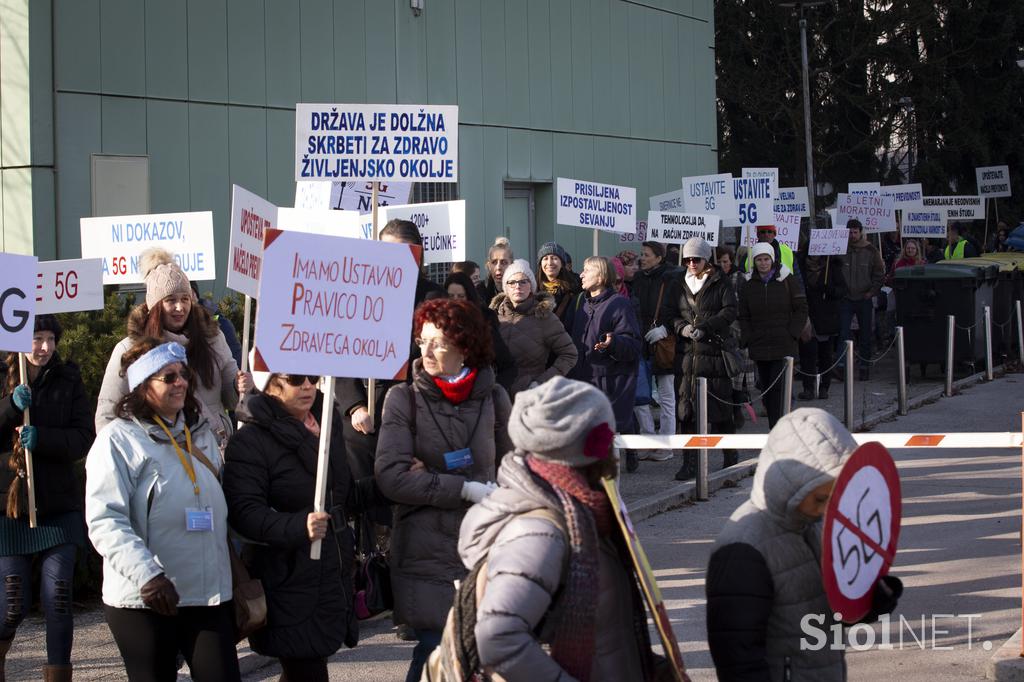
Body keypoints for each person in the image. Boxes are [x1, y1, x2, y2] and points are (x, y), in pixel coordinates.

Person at [458, 377, 672, 681]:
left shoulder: (586, 513)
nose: (613, 450)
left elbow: (606, 634)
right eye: (606, 438)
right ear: (585, 450)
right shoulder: (540, 531)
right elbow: (499, 637)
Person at [706, 408, 902, 681]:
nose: (828, 509)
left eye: (837, 497)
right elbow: (738, 658)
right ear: (790, 487)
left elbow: (825, 614)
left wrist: (869, 601)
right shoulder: (744, 548)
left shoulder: (817, 524)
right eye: (821, 499)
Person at [85, 339, 240, 682]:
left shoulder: (200, 435)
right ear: (142, 386)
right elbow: (105, 520)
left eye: (183, 374)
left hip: (206, 594)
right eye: (168, 377)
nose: (181, 382)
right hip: (146, 598)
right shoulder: (117, 440)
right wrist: (148, 576)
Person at [375, 298, 513, 682]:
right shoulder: (403, 399)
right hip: (425, 552)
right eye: (422, 341)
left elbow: (513, 470)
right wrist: (466, 488)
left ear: (465, 345)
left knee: (479, 656)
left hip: (484, 549)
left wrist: (430, 474)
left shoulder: (494, 397)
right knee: (436, 651)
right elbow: (392, 476)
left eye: (438, 341)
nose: (428, 350)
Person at [222, 372, 385, 681]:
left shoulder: (326, 423)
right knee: (306, 670)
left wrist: (389, 484)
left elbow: (343, 496)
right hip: (287, 576)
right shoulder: (250, 440)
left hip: (331, 571)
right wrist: (298, 526)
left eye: (312, 377)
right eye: (296, 378)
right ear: (269, 385)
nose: (308, 385)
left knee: (308, 668)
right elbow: (244, 512)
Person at [0, 315, 94, 682]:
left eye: (50, 339)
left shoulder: (68, 378)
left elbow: (83, 436)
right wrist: (9, 406)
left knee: (58, 595)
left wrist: (45, 439)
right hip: (10, 509)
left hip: (58, 507)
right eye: (36, 338)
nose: (44, 347)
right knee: (12, 601)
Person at [335, 218, 445, 484]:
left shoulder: (433, 297)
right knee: (365, 488)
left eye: (405, 251)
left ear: (418, 253)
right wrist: (355, 405)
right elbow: (340, 351)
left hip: (416, 406)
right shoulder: (359, 293)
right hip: (367, 410)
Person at [96, 248, 249, 439]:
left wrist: (238, 385)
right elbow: (107, 414)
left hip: (212, 451)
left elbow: (230, 397)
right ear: (155, 306)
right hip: (159, 458)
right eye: (170, 300)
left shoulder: (213, 338)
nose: (180, 307)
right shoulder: (131, 349)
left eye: (185, 299)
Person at [672, 238, 738, 479]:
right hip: (688, 356)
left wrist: (707, 327)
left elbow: (730, 310)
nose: (691, 263)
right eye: (687, 259)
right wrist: (682, 328)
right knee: (686, 410)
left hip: (714, 353)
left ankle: (730, 456)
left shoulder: (721, 281)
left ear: (705, 259)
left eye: (696, 259)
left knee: (720, 408)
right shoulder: (679, 282)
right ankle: (689, 462)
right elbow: (673, 313)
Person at [567, 256, 642, 438]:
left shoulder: (619, 304)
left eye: (587, 270)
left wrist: (613, 343)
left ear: (600, 277)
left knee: (604, 448)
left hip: (607, 389)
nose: (581, 275)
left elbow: (633, 346)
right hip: (582, 387)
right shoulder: (580, 303)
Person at [738, 243, 808, 429]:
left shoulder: (787, 279)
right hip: (760, 344)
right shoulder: (748, 284)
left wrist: (792, 332)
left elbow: (801, 308)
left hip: (783, 343)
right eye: (759, 259)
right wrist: (748, 337)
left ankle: (780, 429)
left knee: (779, 389)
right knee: (767, 390)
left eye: (766, 259)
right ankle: (775, 427)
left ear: (773, 260)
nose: (763, 263)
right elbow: (743, 314)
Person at [490, 259, 578, 397]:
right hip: (496, 396)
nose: (517, 286)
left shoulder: (544, 317)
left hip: (529, 397)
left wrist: (540, 383)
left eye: (523, 281)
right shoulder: (493, 316)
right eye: (512, 282)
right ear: (505, 287)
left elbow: (569, 354)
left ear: (531, 286)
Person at [632, 241, 681, 465]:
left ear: (659, 258)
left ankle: (666, 443)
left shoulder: (672, 278)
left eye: (647, 255)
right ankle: (647, 439)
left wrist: (666, 328)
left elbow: (679, 309)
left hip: (663, 342)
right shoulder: (639, 279)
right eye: (642, 254)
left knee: (666, 394)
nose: (642, 258)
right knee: (641, 395)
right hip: (641, 341)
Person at [443, 271, 517, 394]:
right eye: (451, 296)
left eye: (461, 296)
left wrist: (491, 391)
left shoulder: (483, 324)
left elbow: (509, 366)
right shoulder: (438, 326)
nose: (455, 301)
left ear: (469, 297)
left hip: (477, 397)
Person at [839, 219, 884, 381]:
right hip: (846, 299)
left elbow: (879, 274)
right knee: (843, 333)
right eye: (850, 232)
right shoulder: (840, 249)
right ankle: (841, 366)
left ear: (860, 232)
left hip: (864, 298)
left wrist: (871, 292)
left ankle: (864, 366)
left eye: (855, 232)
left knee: (865, 335)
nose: (852, 235)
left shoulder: (870, 250)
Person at [798, 254, 846, 401]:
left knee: (825, 354)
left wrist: (830, 290)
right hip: (808, 316)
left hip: (827, 316)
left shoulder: (832, 267)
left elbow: (842, 290)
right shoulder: (801, 266)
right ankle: (808, 388)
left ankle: (824, 387)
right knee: (807, 354)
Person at [536, 241, 580, 328]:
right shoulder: (531, 287)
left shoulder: (576, 287)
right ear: (540, 264)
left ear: (562, 263)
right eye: (545, 258)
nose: (549, 263)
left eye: (554, 258)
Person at [477, 237, 514, 303]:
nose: (498, 267)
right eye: (494, 262)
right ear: (488, 265)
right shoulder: (479, 291)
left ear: (511, 264)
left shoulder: (519, 289)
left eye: (503, 262)